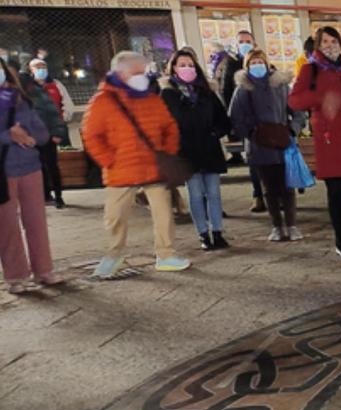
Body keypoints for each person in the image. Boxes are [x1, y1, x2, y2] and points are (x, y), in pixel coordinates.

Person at [82, 51, 189, 277]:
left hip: (154, 167)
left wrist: (167, 152)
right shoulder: (103, 100)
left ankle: (166, 254)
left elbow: (169, 127)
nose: (142, 76)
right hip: (121, 170)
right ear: (120, 73)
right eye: (136, 72)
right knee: (115, 217)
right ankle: (114, 256)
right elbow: (91, 136)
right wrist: (109, 160)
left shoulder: (151, 98)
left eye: (143, 72)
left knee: (164, 214)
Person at [289, 27, 341, 257]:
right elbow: (295, 100)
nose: (330, 45)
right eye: (325, 41)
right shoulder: (311, 69)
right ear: (318, 45)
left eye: (333, 40)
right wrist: (320, 97)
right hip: (331, 142)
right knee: (336, 195)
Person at [229, 49, 305, 243]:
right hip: (259, 146)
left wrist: (292, 130)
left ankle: (292, 225)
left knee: (288, 187)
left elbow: (297, 111)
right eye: (252, 63)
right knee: (269, 189)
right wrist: (253, 134)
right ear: (247, 66)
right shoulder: (243, 89)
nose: (257, 66)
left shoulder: (281, 85)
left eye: (260, 62)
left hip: (283, 143)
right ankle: (277, 226)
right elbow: (236, 118)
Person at [161, 48, 231, 251]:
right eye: (182, 65)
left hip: (209, 148)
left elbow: (222, 119)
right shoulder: (168, 94)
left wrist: (215, 133)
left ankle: (217, 232)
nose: (187, 69)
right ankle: (203, 233)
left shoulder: (206, 91)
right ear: (173, 68)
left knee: (214, 193)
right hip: (187, 151)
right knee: (196, 193)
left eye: (190, 65)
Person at [0, 60, 61, 293]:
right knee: (7, 224)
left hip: (30, 166)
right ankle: (16, 275)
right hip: (3, 170)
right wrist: (9, 135)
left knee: (36, 221)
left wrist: (33, 136)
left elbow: (40, 129)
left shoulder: (19, 98)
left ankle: (44, 270)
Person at [22, 59, 70, 209]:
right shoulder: (24, 93)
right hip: (31, 136)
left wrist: (57, 133)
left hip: (49, 135)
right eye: (37, 67)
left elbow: (56, 113)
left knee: (52, 166)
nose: (41, 70)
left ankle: (58, 196)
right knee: (37, 167)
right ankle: (44, 195)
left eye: (43, 66)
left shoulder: (51, 88)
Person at [223, 30, 256, 171]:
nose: (245, 45)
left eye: (248, 42)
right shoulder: (231, 63)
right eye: (241, 42)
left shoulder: (259, 61)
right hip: (240, 107)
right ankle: (238, 156)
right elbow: (225, 89)